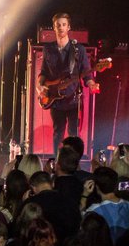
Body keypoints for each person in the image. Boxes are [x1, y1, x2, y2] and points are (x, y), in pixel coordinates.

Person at [37, 13, 97, 151]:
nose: (61, 27)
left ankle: (73, 165)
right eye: (58, 25)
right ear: (54, 27)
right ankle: (57, 163)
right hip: (55, 99)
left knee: (73, 135)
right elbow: (44, 72)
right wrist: (40, 85)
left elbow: (86, 72)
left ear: (69, 27)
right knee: (57, 134)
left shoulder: (78, 50)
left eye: (64, 25)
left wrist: (91, 84)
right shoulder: (48, 49)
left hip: (73, 99)